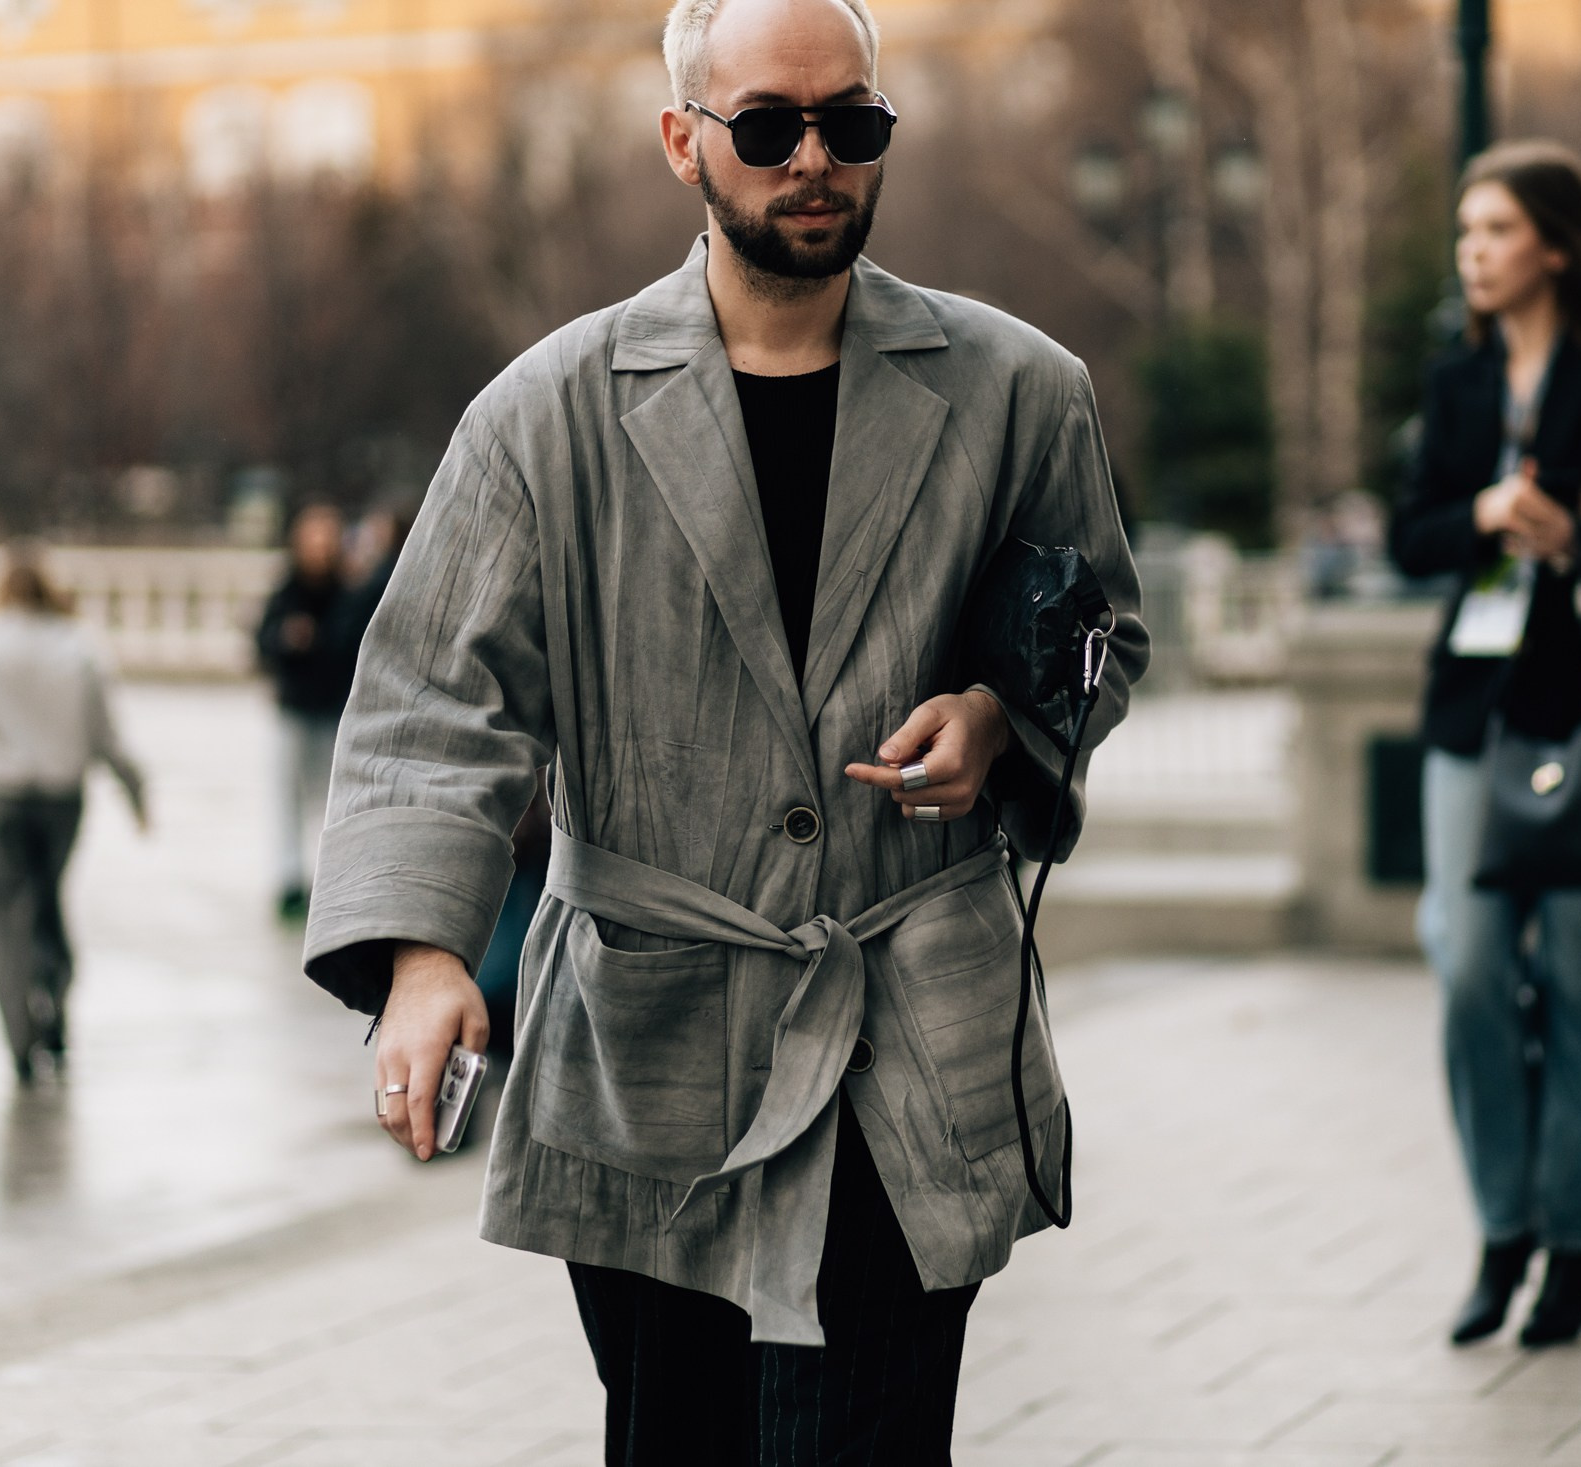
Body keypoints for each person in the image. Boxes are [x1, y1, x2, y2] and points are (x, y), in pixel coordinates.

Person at [300, 0, 1146, 1457]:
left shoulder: (1019, 390)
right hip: (651, 1054)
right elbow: (434, 701)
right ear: (683, 142)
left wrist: (1002, 722)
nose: (814, 158)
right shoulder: (545, 415)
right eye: (767, 126)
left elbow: (1103, 634)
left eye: (851, 124)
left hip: (905, 1040)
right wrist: (426, 956)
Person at [1389, 140, 1581, 1349]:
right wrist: (1480, 514)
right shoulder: (1457, 382)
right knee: (1467, 969)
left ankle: (1570, 1243)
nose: (1474, 251)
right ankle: (1499, 1226)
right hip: (1475, 716)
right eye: (1466, 230)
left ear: (1556, 247)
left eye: (1498, 230)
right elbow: (1410, 536)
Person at [0, 553, 147, 1084]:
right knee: (47, 902)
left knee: (1, 919)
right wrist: (135, 790)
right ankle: (54, 995)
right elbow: (106, 735)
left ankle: (19, 1032)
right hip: (60, 798)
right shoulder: (79, 645)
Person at [256, 504, 352, 922]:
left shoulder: (347, 591)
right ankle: (290, 879)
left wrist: (320, 641)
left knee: (335, 800)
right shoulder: (287, 590)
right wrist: (286, 639)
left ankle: (331, 878)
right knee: (288, 798)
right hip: (295, 710)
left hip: (333, 711)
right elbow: (263, 640)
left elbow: (353, 645)